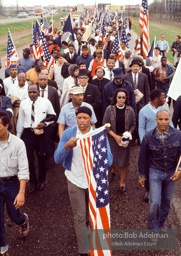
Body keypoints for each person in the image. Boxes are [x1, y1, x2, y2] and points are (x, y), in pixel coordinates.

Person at [54, 106, 113, 256]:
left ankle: (98, 245)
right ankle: (84, 251)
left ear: (91, 119)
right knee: (79, 216)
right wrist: (67, 146)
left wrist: (98, 149)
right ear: (76, 118)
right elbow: (57, 159)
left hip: (94, 181)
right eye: (79, 117)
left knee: (95, 213)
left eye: (85, 118)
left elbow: (110, 161)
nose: (81, 121)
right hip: (75, 179)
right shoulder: (68, 134)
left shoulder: (98, 134)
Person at [138, 109, 181, 230]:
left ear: (170, 120)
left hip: (171, 172)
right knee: (154, 202)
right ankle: (153, 228)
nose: (163, 122)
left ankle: (162, 222)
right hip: (155, 172)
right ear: (156, 120)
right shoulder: (148, 137)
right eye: (161, 119)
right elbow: (143, 157)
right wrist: (142, 175)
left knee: (167, 201)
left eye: (166, 119)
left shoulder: (178, 135)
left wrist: (180, 170)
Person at [17, 84, 56, 193]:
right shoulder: (24, 103)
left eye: (34, 92)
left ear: (39, 92)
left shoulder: (45, 102)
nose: (32, 94)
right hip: (28, 133)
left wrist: (45, 123)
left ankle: (42, 180)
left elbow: (53, 116)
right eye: (30, 92)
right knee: (28, 159)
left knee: (41, 158)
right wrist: (18, 137)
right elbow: (20, 120)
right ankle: (33, 182)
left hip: (40, 134)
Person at [0, 111, 29, 256]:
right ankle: (3, 249)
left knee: (14, 214)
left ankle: (22, 220)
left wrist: (21, 192)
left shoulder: (18, 144)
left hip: (12, 183)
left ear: (6, 126)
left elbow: (23, 170)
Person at [138, 89, 173, 201]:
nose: (165, 99)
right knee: (149, 166)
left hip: (164, 142)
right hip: (150, 144)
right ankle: (148, 190)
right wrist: (144, 143)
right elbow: (141, 127)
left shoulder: (165, 109)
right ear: (156, 99)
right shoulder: (143, 111)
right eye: (163, 97)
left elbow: (170, 124)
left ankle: (161, 189)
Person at [103, 89, 136, 192]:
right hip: (112, 138)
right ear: (115, 98)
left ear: (126, 99)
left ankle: (122, 182)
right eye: (119, 97)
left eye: (123, 97)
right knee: (112, 158)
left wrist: (129, 133)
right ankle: (113, 168)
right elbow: (105, 125)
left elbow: (133, 124)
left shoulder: (130, 110)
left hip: (124, 139)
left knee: (124, 161)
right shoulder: (109, 109)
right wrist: (115, 137)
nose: (121, 99)